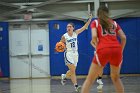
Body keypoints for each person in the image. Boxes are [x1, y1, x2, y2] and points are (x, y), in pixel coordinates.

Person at [81, 6, 126, 93]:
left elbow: (94, 36)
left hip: (103, 49)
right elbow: (123, 37)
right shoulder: (114, 23)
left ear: (98, 14)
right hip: (116, 49)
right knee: (116, 78)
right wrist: (121, 50)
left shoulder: (96, 22)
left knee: (90, 79)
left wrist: (98, 46)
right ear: (108, 13)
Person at [58, 14, 92, 92]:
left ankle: (64, 76)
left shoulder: (76, 33)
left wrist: (90, 19)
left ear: (73, 28)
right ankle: (76, 87)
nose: (68, 28)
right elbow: (60, 44)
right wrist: (61, 47)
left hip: (75, 54)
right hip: (68, 54)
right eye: (67, 27)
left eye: (70, 26)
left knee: (71, 71)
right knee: (73, 71)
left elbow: (84, 27)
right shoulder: (64, 36)